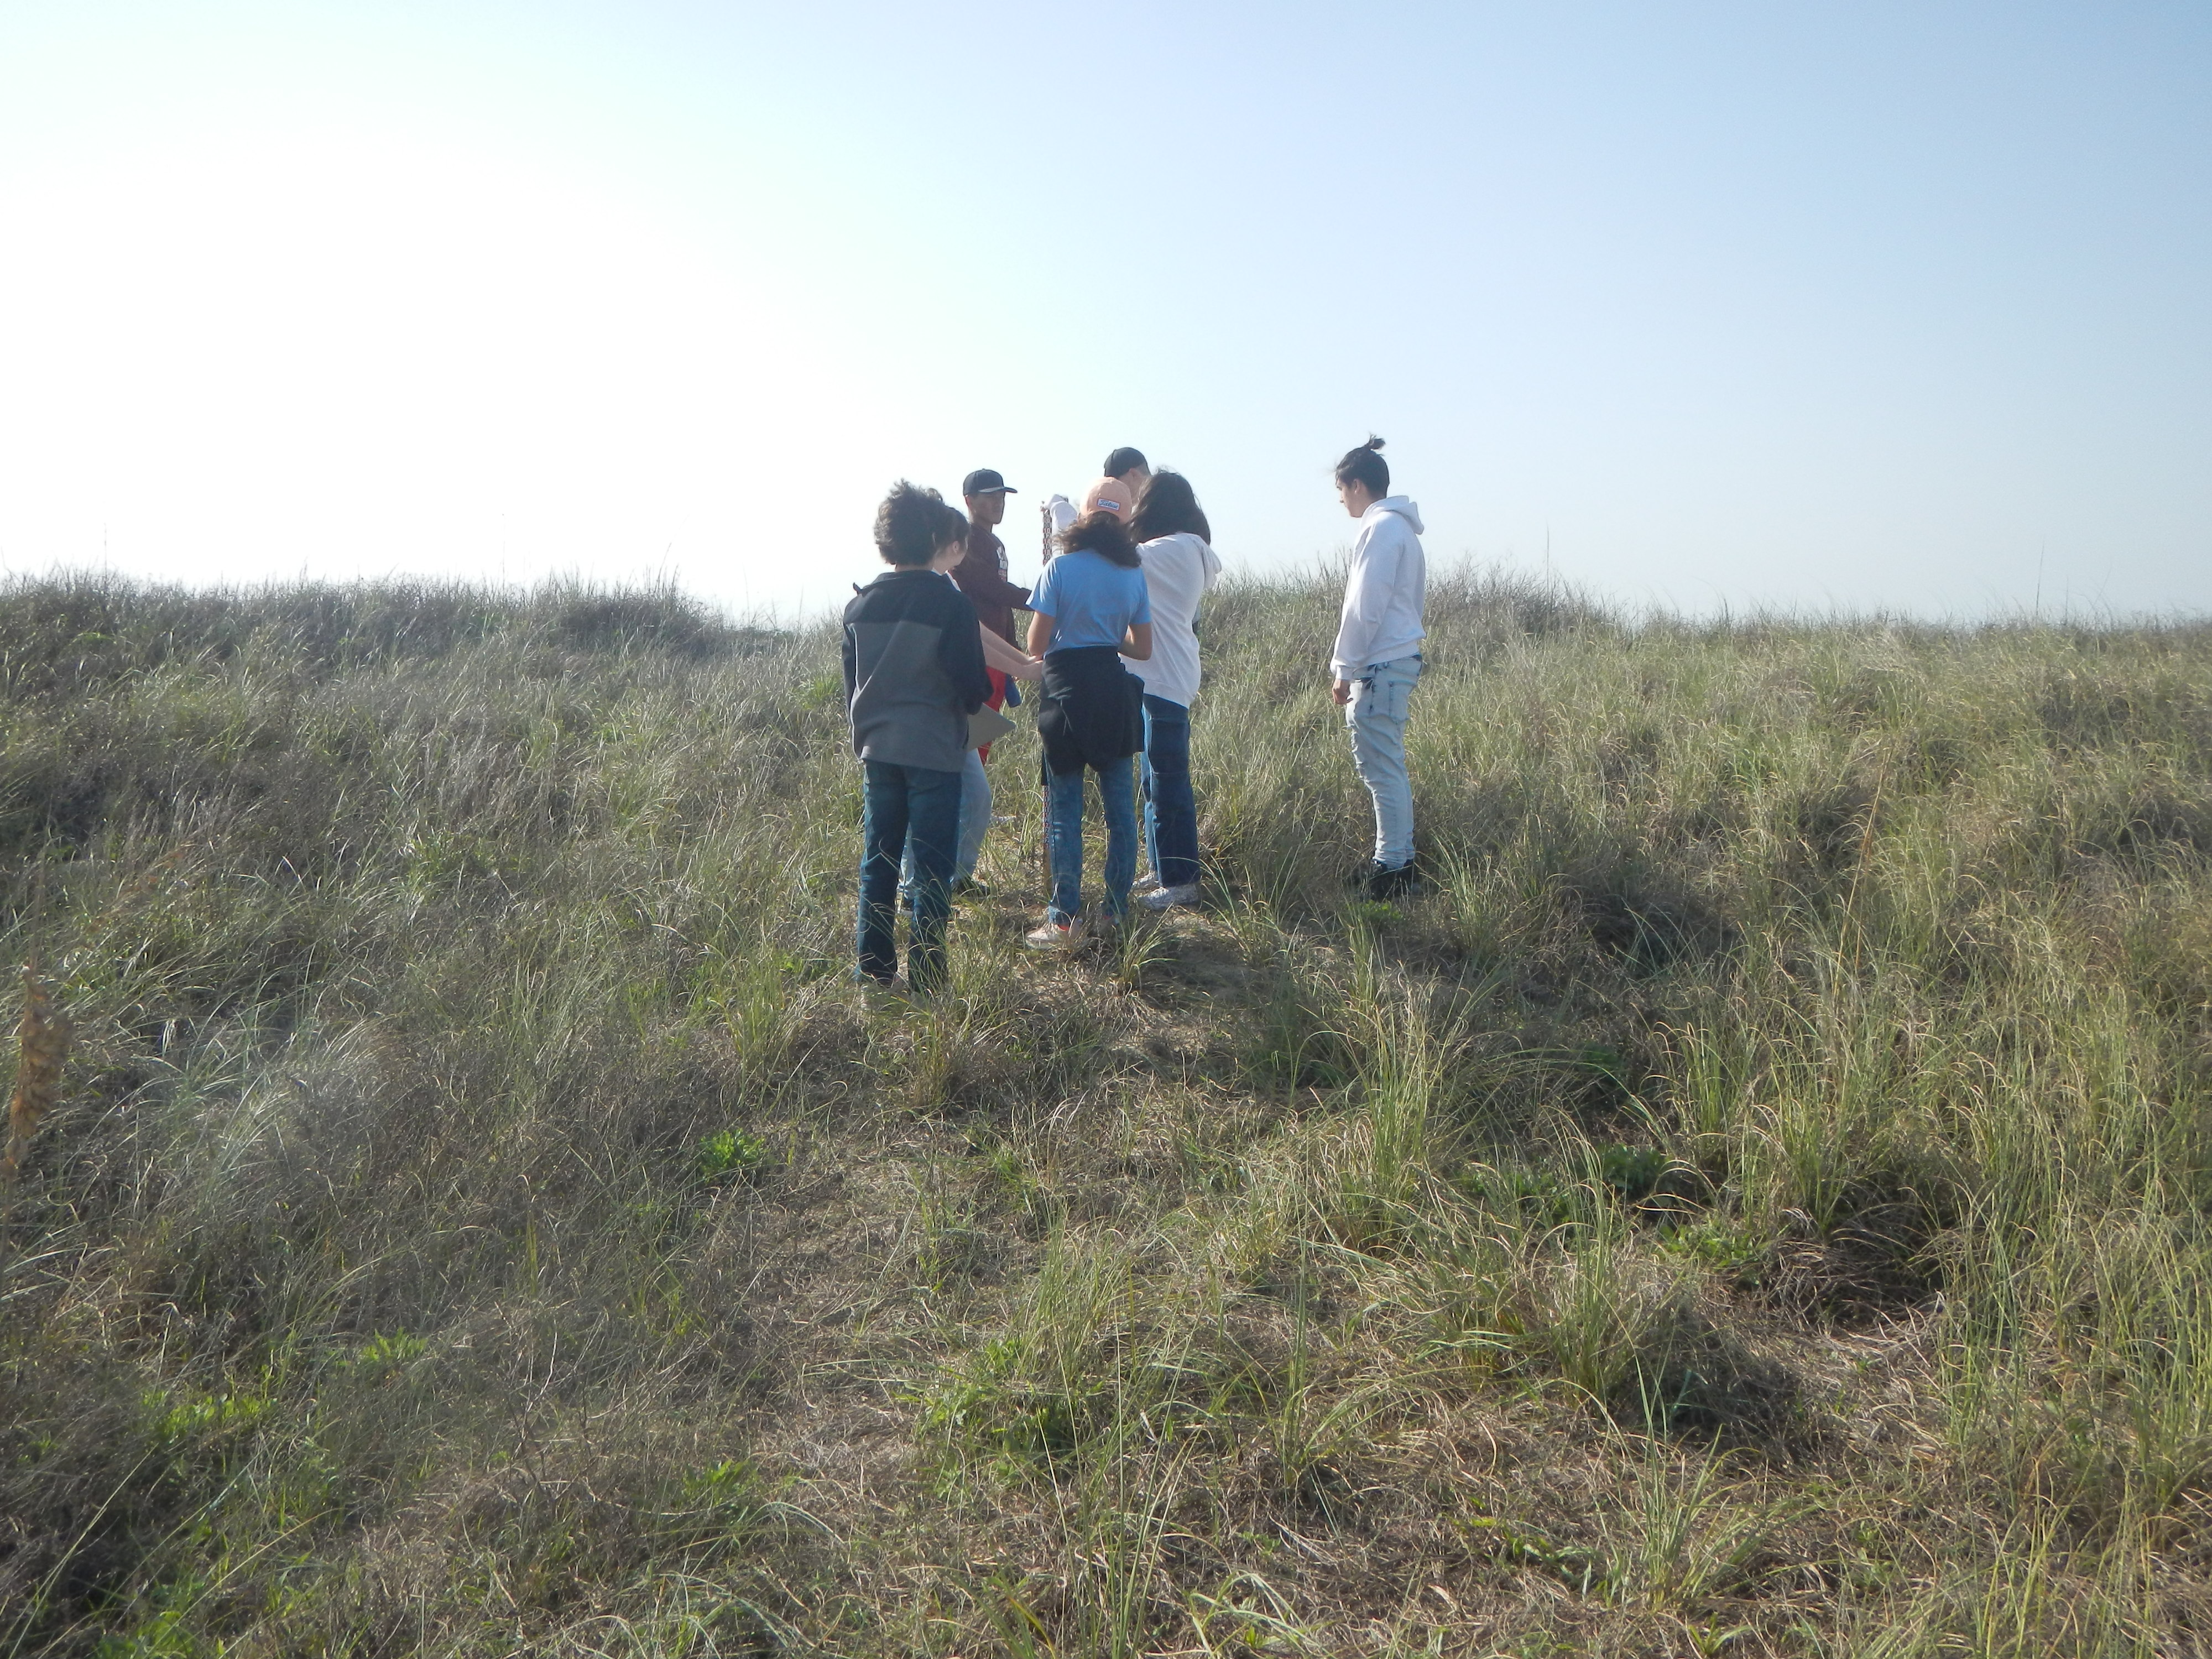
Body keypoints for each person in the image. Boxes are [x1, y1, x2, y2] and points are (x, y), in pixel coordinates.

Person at [843, 483, 993, 993]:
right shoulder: (949, 604)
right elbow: (974, 688)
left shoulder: (859, 606)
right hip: (934, 752)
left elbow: (852, 689)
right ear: (933, 536)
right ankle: (930, 982)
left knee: (879, 862)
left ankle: (875, 978)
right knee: (932, 870)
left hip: (878, 752)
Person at [1026, 486, 1153, 947]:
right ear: (1125, 523)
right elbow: (1143, 648)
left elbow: (1037, 646)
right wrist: (1105, 635)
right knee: (1121, 811)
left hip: (1064, 693)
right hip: (1112, 690)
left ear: (1082, 517)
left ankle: (1063, 920)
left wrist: (1074, 630)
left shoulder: (1059, 568)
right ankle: (1116, 913)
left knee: (1065, 811)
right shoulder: (1132, 573)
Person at [1328, 436, 1426, 899]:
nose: (1341, 498)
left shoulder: (1382, 529)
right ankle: (1396, 863)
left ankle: (1392, 870)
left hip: (1380, 665)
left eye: (1342, 488)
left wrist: (1344, 666)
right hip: (1392, 661)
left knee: (1381, 767)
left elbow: (1365, 604)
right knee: (1386, 765)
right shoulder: (1398, 528)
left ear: (1357, 484)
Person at [1122, 470, 1221, 910]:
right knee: (1153, 780)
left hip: (1164, 677)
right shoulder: (1188, 549)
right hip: (1162, 674)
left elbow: (1118, 555)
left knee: (1167, 782)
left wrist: (1074, 508)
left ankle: (1181, 880)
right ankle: (1161, 868)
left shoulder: (1176, 550)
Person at [942, 467, 1033, 893]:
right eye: (991, 495)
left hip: (997, 651)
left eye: (1003, 495)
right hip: (979, 654)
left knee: (985, 732)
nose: (999, 502)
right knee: (974, 736)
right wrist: (1040, 599)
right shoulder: (968, 540)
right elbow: (988, 589)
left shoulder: (991, 540)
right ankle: (968, 807)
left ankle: (972, 805)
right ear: (970, 500)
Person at [1044, 446, 1149, 549]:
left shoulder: (1150, 512)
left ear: (1133, 475)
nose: (1112, 495)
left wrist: (1057, 505)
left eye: (1117, 485)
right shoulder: (1156, 504)